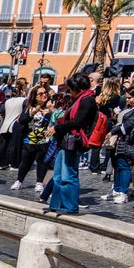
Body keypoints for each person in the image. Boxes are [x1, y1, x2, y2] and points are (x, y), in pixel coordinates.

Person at [47, 73, 98, 215]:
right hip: (66, 140)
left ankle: (69, 206)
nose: (69, 92)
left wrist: (57, 127)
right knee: (58, 175)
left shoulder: (87, 100)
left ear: (77, 88)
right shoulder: (79, 99)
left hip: (74, 142)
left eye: (70, 89)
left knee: (68, 175)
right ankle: (56, 204)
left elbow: (78, 122)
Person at [103, 86, 134, 205]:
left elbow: (129, 124)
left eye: (130, 97)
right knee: (117, 164)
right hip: (122, 139)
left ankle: (123, 193)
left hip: (131, 140)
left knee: (124, 166)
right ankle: (117, 190)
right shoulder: (132, 107)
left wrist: (113, 131)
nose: (127, 100)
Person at [11, 85, 54, 195]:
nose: (44, 95)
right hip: (29, 140)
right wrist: (33, 112)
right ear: (35, 97)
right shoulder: (29, 107)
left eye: (45, 93)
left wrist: (50, 112)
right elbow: (22, 120)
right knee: (25, 162)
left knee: (42, 162)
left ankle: (39, 182)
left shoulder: (50, 107)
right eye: (41, 94)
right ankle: (19, 181)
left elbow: (56, 120)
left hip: (44, 140)